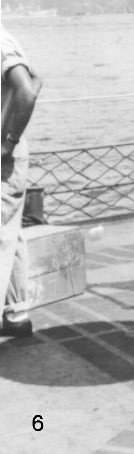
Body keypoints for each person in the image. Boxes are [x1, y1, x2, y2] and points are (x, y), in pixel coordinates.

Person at [1, 24, 42, 337]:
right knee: (7, 234)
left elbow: (27, 90)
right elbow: (36, 79)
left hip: (4, 154)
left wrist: (7, 142)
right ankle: (16, 314)